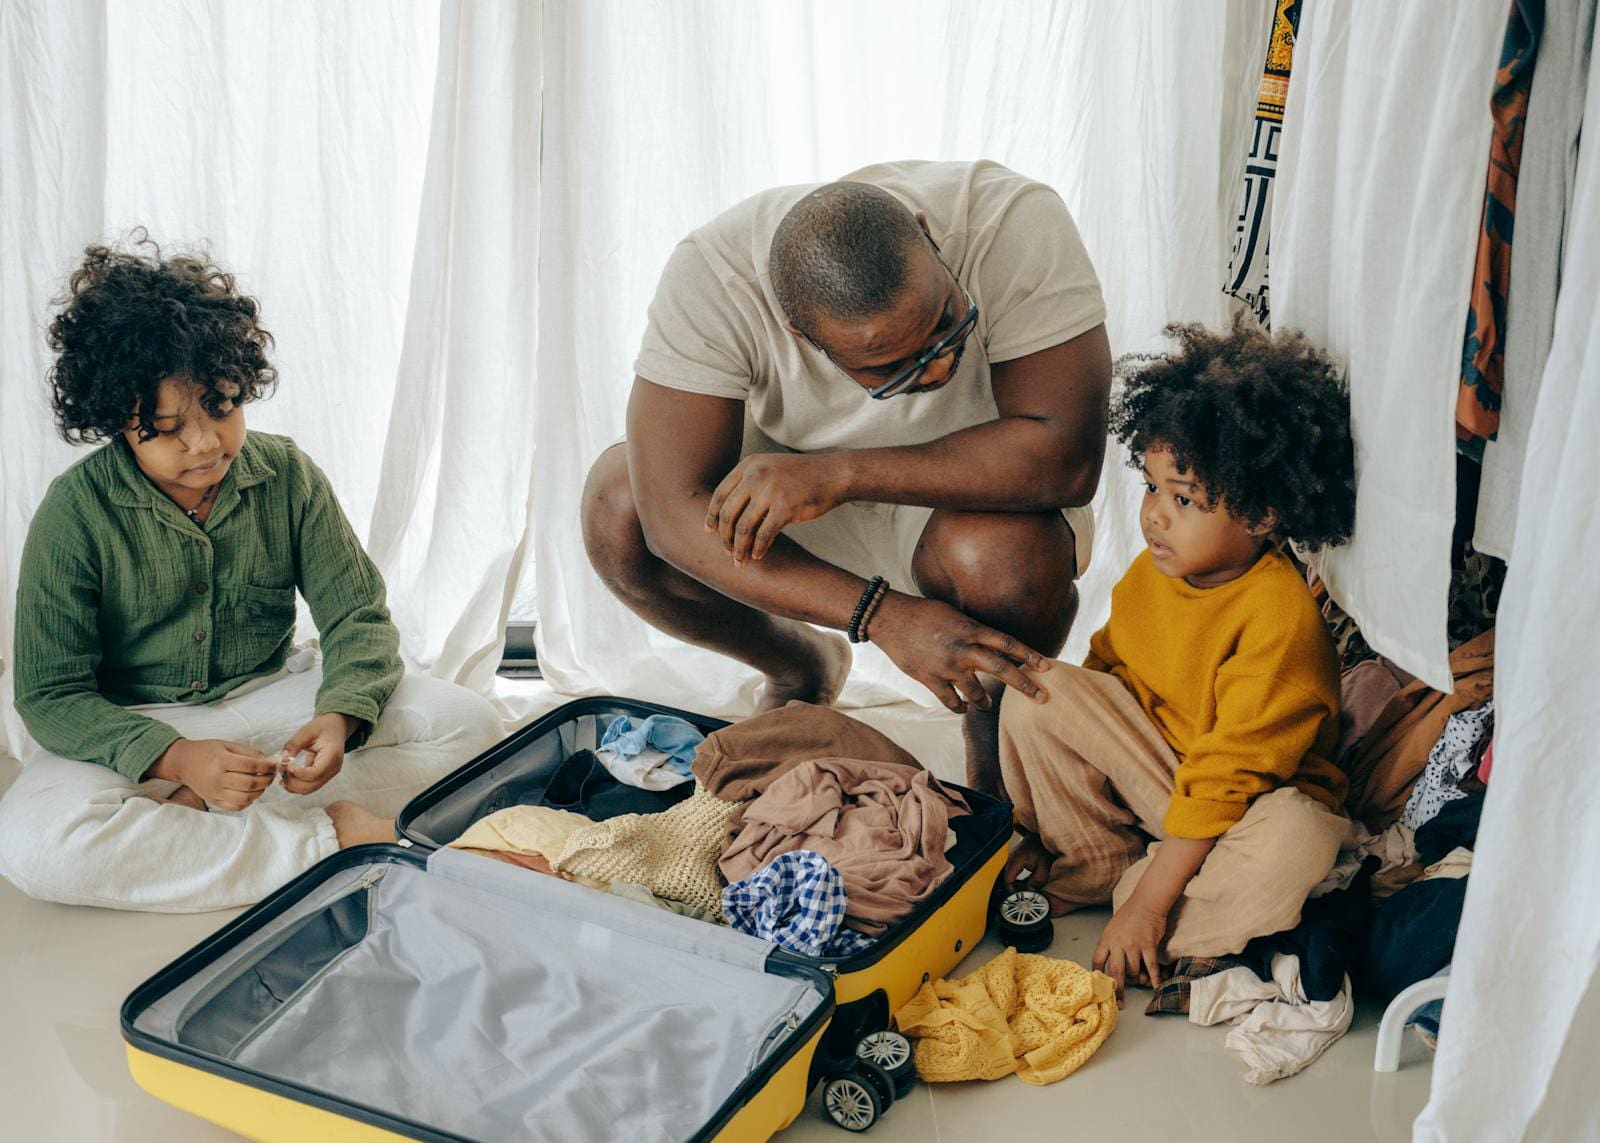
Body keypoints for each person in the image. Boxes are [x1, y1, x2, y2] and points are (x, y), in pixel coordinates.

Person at [0, 236, 503, 911]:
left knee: (473, 726)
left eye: (221, 408)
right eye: (169, 428)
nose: (205, 442)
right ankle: (331, 842)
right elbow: (50, 693)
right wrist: (176, 759)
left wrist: (338, 718)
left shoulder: (287, 473)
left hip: (273, 702)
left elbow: (356, 618)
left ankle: (194, 827)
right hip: (132, 722)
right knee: (34, 845)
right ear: (120, 423)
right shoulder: (73, 513)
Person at [582, 160, 1112, 793]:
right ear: (798, 332)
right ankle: (801, 667)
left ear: (928, 234)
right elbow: (670, 514)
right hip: (794, 498)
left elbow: (1066, 460)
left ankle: (993, 754)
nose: (939, 370)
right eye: (890, 366)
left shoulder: (1011, 220)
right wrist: (881, 616)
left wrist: (840, 472)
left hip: (976, 486)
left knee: (1006, 563)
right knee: (619, 507)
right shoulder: (713, 277)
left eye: (947, 324)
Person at [997, 320, 1358, 1003]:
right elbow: (1104, 677)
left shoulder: (1278, 619)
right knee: (1032, 688)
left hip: (1244, 808)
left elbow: (1226, 780)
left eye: (1184, 497)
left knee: (1300, 842)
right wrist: (1047, 806)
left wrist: (1148, 904)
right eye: (1152, 486)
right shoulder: (1154, 570)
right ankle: (1097, 861)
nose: (1155, 516)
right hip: (1164, 778)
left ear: (1261, 514)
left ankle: (1154, 906)